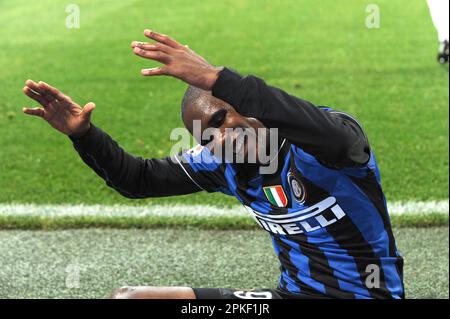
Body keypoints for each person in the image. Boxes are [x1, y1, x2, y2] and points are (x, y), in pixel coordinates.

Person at [22, 29, 404, 299]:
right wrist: (83, 136)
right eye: (208, 136)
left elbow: (331, 135)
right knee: (129, 299)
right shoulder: (224, 164)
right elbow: (136, 179)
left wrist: (216, 79)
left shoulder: (326, 142)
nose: (223, 136)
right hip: (292, 296)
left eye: (223, 118)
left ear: (247, 105)